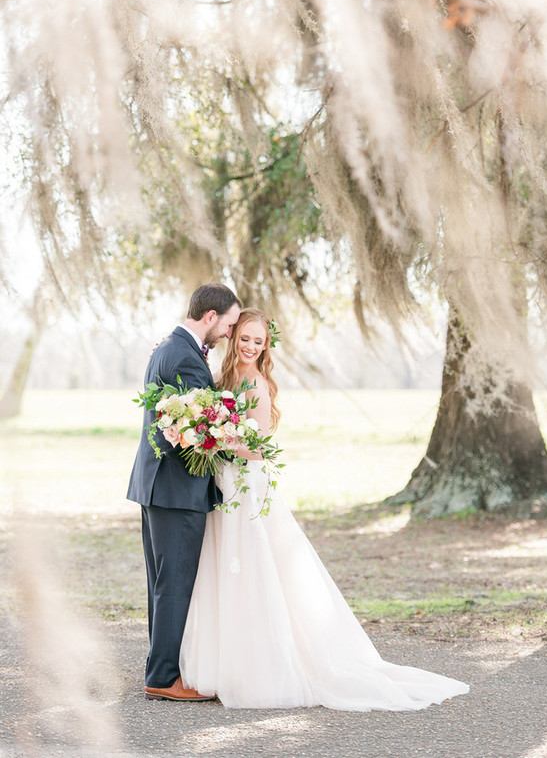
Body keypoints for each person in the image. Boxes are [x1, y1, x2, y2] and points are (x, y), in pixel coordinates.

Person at [178, 308, 470, 710]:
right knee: (222, 566)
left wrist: (217, 440)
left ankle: (264, 668)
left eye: (258, 342)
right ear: (233, 338)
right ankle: (220, 661)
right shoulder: (221, 377)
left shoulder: (258, 385)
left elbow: (259, 446)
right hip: (223, 484)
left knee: (253, 566)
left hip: (246, 484)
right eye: (245, 338)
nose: (249, 346)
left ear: (265, 348)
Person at [127, 282, 241, 701]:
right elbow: (203, 428)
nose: (229, 334)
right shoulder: (184, 357)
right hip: (176, 489)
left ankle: (161, 669)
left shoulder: (170, 348)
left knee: (162, 582)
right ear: (210, 317)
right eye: (229, 325)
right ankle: (161, 678)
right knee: (173, 582)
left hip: (157, 485)